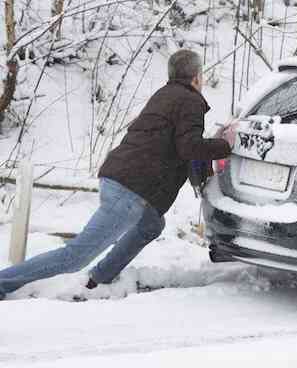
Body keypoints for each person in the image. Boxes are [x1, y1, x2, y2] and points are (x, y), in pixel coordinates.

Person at [0, 50, 235, 300]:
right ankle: (4, 282)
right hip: (130, 190)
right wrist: (225, 145)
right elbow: (188, 147)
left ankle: (99, 278)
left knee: (151, 225)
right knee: (76, 255)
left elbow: (173, 144)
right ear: (197, 77)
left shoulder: (165, 95)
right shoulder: (191, 101)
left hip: (120, 177)